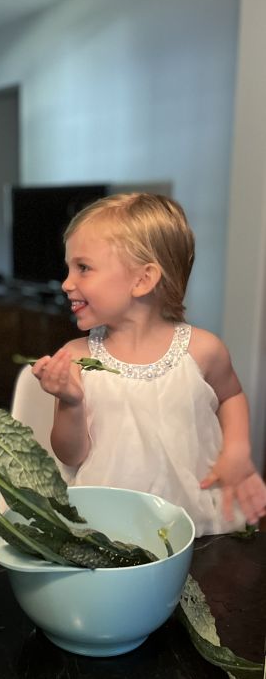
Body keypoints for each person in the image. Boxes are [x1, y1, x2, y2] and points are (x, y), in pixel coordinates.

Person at [31, 192, 266, 536]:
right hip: (111, 532)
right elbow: (70, 455)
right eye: (69, 268)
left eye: (83, 268)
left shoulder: (203, 350)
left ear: (142, 279)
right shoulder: (77, 358)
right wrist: (71, 402)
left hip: (197, 523)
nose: (67, 283)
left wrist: (237, 450)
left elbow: (231, 396)